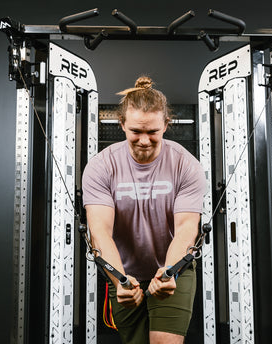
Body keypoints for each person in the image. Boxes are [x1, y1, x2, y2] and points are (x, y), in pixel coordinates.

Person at [82, 76, 206, 344]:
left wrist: (169, 271)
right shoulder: (101, 167)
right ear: (122, 125)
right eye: (136, 131)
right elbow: (100, 231)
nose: (145, 140)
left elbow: (186, 228)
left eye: (153, 132)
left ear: (166, 125)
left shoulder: (186, 165)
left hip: (173, 269)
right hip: (124, 270)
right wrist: (119, 280)